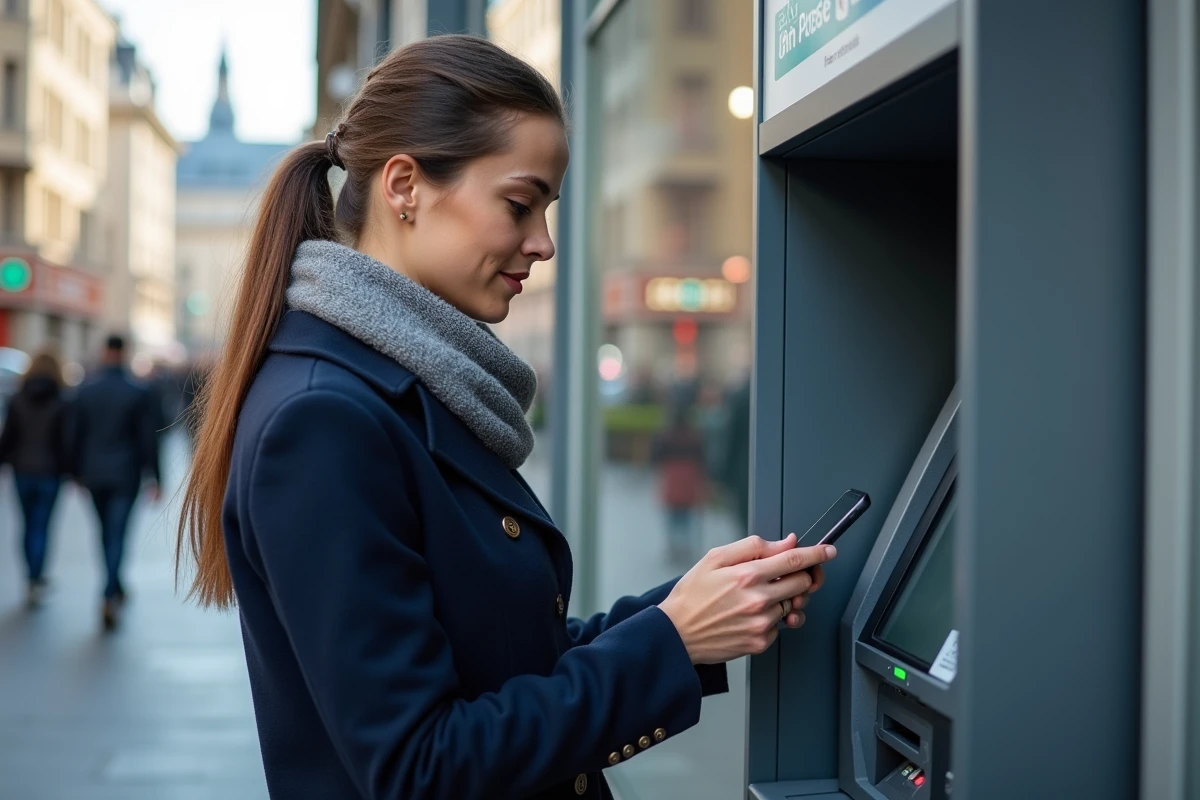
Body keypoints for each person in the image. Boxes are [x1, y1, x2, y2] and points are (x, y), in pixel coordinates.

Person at [176, 35, 837, 800]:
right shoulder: (325, 419)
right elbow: (420, 767)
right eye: (520, 205)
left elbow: (509, 660)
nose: (544, 244)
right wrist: (671, 640)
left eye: (547, 211)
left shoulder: (406, 382)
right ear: (405, 186)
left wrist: (690, 607)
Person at [71, 334, 161, 630]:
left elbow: (76, 435)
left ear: (104, 351)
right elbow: (149, 439)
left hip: (94, 472)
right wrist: (156, 476)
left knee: (104, 532)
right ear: (124, 353)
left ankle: (113, 586)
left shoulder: (87, 390)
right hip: (126, 473)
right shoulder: (138, 391)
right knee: (118, 532)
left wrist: (75, 472)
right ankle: (110, 592)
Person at [0, 352, 71, 607]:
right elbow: (66, 442)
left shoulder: (17, 399)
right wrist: (70, 470)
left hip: (22, 471)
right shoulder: (61, 400)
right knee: (42, 526)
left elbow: (8, 437)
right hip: (49, 473)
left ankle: (30, 576)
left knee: (27, 525)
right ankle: (36, 577)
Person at [651, 403, 708, 564]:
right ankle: (685, 545)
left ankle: (673, 546)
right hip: (690, 476)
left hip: (672, 476)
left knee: (672, 514)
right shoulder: (694, 436)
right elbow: (703, 458)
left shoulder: (665, 435)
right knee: (687, 514)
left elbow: (656, 457)